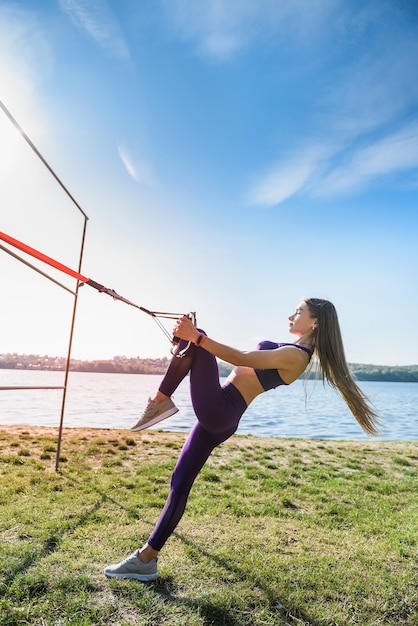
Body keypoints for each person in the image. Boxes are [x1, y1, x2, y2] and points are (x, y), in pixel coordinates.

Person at [104, 298, 379, 581]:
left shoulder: (296, 357)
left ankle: (159, 401)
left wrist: (195, 337)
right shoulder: (293, 351)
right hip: (224, 413)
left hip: (221, 407)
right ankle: (146, 560)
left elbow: (241, 359)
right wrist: (189, 341)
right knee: (180, 483)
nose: (290, 315)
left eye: (298, 312)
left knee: (200, 341)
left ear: (315, 321)